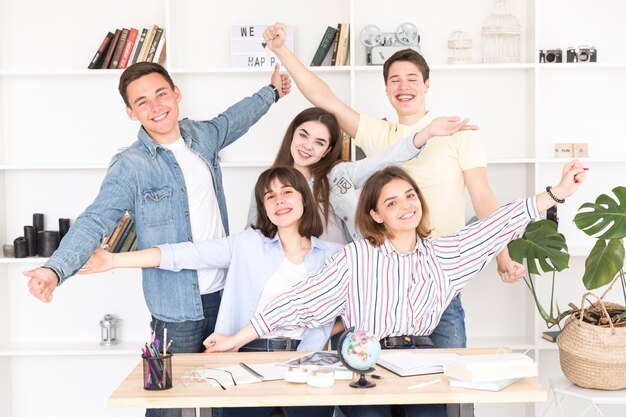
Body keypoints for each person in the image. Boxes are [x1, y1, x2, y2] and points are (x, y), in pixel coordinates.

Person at [199, 160, 586, 417]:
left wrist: (555, 193)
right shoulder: (355, 258)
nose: (405, 206)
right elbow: (298, 302)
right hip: (366, 356)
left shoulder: (443, 253)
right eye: (391, 202)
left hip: (423, 359)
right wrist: (236, 339)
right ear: (375, 214)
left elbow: (494, 227)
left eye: (410, 196)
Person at [22, 61, 290, 417]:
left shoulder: (203, 137)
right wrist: (56, 270)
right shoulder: (130, 166)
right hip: (176, 308)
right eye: (142, 101)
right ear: (131, 113)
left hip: (227, 295)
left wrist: (272, 91)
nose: (156, 106)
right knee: (165, 405)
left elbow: (236, 117)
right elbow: (94, 220)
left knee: (229, 397)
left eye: (161, 93)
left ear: (177, 94)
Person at [262, 22, 526, 352]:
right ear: (387, 90)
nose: (403, 86)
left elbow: (483, 197)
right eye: (394, 80)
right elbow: (323, 98)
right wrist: (281, 50)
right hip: (381, 281)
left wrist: (502, 255)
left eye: (412, 78)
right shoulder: (378, 134)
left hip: (438, 278)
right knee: (370, 383)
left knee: (447, 382)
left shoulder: (459, 133)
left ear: (427, 84)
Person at [79, 166, 341, 417]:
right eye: (269, 196)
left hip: (307, 358)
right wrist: (113, 261)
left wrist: (321, 332)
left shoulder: (333, 255)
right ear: (264, 208)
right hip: (248, 355)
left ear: (304, 199)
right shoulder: (247, 244)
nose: (279, 201)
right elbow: (185, 254)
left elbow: (350, 313)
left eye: (287, 192)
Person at [247, 107, 478, 245]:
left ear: (327, 150)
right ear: (292, 135)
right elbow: (252, 235)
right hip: (291, 274)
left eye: (319, 142)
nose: (307, 146)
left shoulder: (337, 175)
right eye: (303, 136)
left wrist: (425, 134)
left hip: (337, 273)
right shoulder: (269, 184)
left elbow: (384, 160)